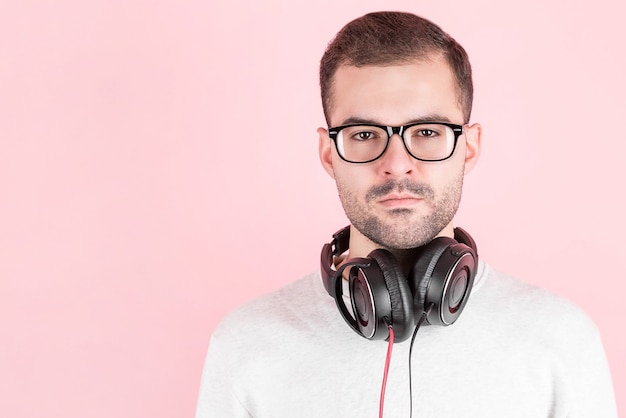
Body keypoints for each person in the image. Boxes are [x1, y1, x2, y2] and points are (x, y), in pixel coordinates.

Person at [195, 11, 617, 418]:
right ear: (329, 153)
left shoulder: (561, 339)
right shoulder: (246, 343)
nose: (397, 164)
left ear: (468, 148)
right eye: (364, 134)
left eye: (427, 132)